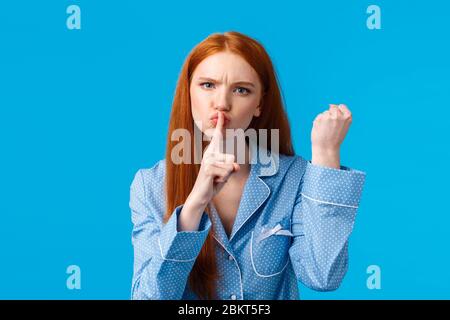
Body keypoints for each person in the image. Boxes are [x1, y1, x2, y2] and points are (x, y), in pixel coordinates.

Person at [129, 31, 366, 300]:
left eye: (241, 90)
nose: (221, 103)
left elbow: (323, 276)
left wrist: (326, 154)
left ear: (259, 104)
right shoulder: (150, 185)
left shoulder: (292, 176)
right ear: (188, 92)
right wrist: (194, 204)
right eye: (208, 85)